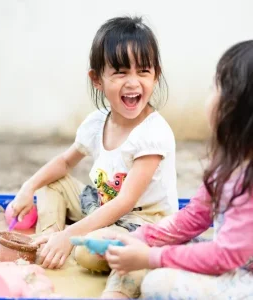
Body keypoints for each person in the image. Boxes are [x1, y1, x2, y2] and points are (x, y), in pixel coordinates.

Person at [11, 16, 178, 275]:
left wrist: (71, 234)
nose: (133, 82)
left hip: (142, 225)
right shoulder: (96, 122)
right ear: (97, 79)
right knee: (51, 183)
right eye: (121, 72)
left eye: (143, 71)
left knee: (86, 253)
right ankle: (47, 240)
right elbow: (65, 162)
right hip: (102, 206)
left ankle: (64, 242)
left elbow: (125, 202)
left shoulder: (153, 134)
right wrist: (28, 186)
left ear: (155, 76)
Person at [104, 40, 253, 299]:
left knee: (158, 283)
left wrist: (152, 257)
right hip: (233, 261)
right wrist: (143, 238)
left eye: (215, 87)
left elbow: (225, 255)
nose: (210, 95)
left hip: (244, 279)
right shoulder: (228, 163)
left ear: (236, 107)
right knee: (152, 251)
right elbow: (194, 217)